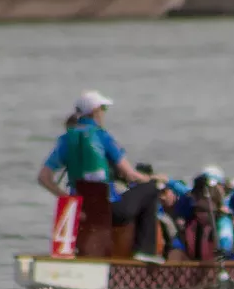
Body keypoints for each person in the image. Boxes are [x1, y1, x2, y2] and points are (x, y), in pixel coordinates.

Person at [36, 91, 163, 263]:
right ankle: (145, 252)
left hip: (80, 211)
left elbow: (43, 178)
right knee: (151, 190)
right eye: (103, 109)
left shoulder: (65, 140)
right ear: (95, 111)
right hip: (110, 210)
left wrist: (68, 199)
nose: (104, 113)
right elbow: (130, 175)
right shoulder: (103, 136)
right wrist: (153, 179)